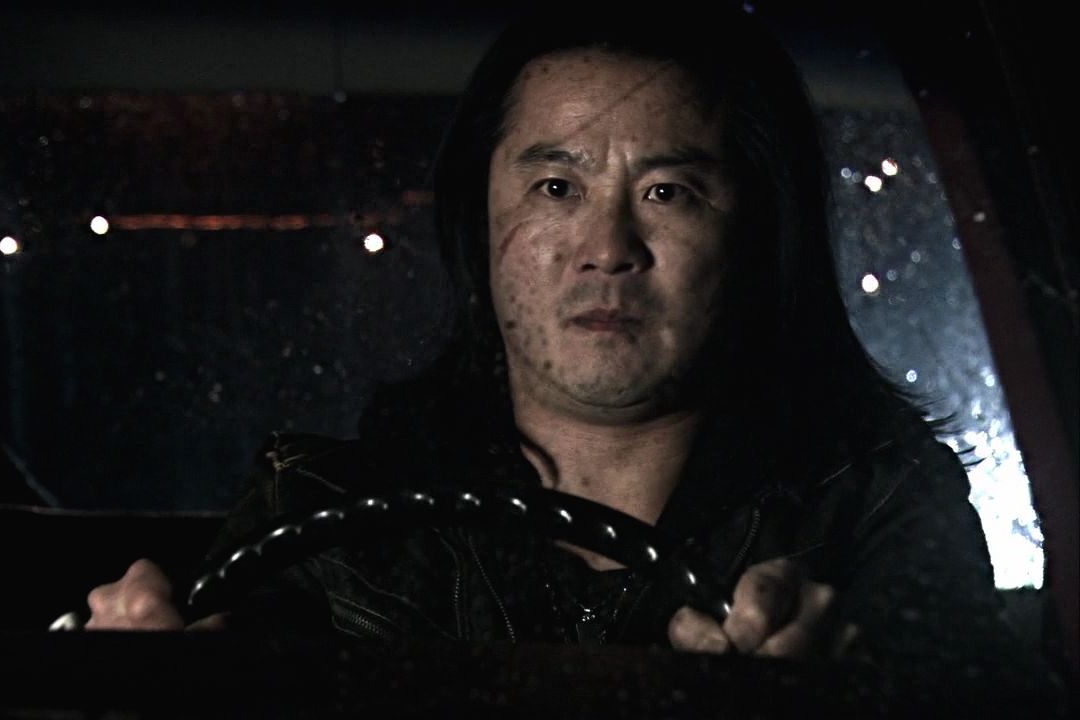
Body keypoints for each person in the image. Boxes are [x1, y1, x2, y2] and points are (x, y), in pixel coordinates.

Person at [83, 4, 1045, 688]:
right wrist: (135, 673)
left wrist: (856, 686)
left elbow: (986, 692)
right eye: (557, 189)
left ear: (758, 233)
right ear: (480, 219)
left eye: (669, 192)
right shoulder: (323, 514)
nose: (607, 248)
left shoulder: (874, 509)